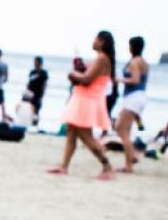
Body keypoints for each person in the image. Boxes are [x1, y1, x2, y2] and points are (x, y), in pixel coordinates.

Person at [47, 30, 116, 179]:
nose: (93, 41)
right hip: (84, 99)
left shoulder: (102, 58)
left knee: (86, 136)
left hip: (87, 100)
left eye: (96, 39)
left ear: (102, 42)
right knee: (71, 132)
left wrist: (72, 74)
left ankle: (107, 166)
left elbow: (86, 79)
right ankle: (64, 167)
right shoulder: (100, 59)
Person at [115, 36, 148, 172]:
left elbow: (135, 80)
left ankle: (129, 163)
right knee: (126, 130)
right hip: (139, 97)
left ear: (132, 46)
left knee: (120, 128)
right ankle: (130, 157)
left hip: (134, 97)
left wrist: (119, 80)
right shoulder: (143, 62)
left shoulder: (134, 62)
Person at [22, 56, 48, 126]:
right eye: (34, 61)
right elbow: (29, 82)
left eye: (36, 62)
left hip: (38, 94)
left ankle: (35, 125)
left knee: (36, 110)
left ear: (40, 63)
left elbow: (44, 84)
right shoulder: (32, 71)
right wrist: (26, 92)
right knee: (28, 109)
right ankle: (28, 123)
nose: (35, 63)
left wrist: (42, 96)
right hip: (30, 93)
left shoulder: (43, 73)